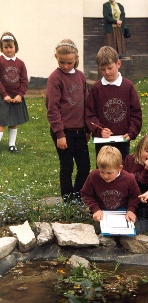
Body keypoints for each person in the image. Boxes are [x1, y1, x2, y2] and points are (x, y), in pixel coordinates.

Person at [46, 39, 90, 201]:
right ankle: (66, 198)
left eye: (69, 62)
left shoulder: (81, 76)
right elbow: (52, 108)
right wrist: (60, 134)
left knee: (84, 166)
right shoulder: (55, 78)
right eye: (61, 62)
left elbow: (86, 103)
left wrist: (87, 129)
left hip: (80, 131)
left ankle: (77, 195)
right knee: (67, 166)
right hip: (64, 132)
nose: (65, 66)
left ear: (76, 58)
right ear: (56, 57)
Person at [86, 46, 142, 161]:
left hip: (123, 139)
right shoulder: (96, 88)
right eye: (102, 69)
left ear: (118, 64)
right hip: (103, 141)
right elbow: (90, 115)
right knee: (103, 171)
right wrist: (100, 130)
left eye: (110, 68)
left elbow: (136, 113)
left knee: (122, 170)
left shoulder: (128, 86)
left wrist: (131, 132)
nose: (106, 72)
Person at [81, 145, 148, 235]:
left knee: (137, 229)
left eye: (109, 173)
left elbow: (134, 196)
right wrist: (95, 209)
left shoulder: (129, 178)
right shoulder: (93, 176)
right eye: (102, 171)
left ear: (120, 168)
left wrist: (131, 210)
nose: (105, 176)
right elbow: (86, 194)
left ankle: (142, 218)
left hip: (123, 211)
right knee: (99, 229)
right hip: (102, 212)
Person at [0, 32, 29, 154]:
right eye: (5, 47)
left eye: (11, 47)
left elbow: (24, 80)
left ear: (15, 47)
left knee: (13, 122)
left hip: (16, 97)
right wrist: (4, 94)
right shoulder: (0, 61)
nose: (8, 50)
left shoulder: (20, 63)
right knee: (1, 122)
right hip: (2, 97)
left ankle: (12, 145)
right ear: (1, 48)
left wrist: (19, 95)